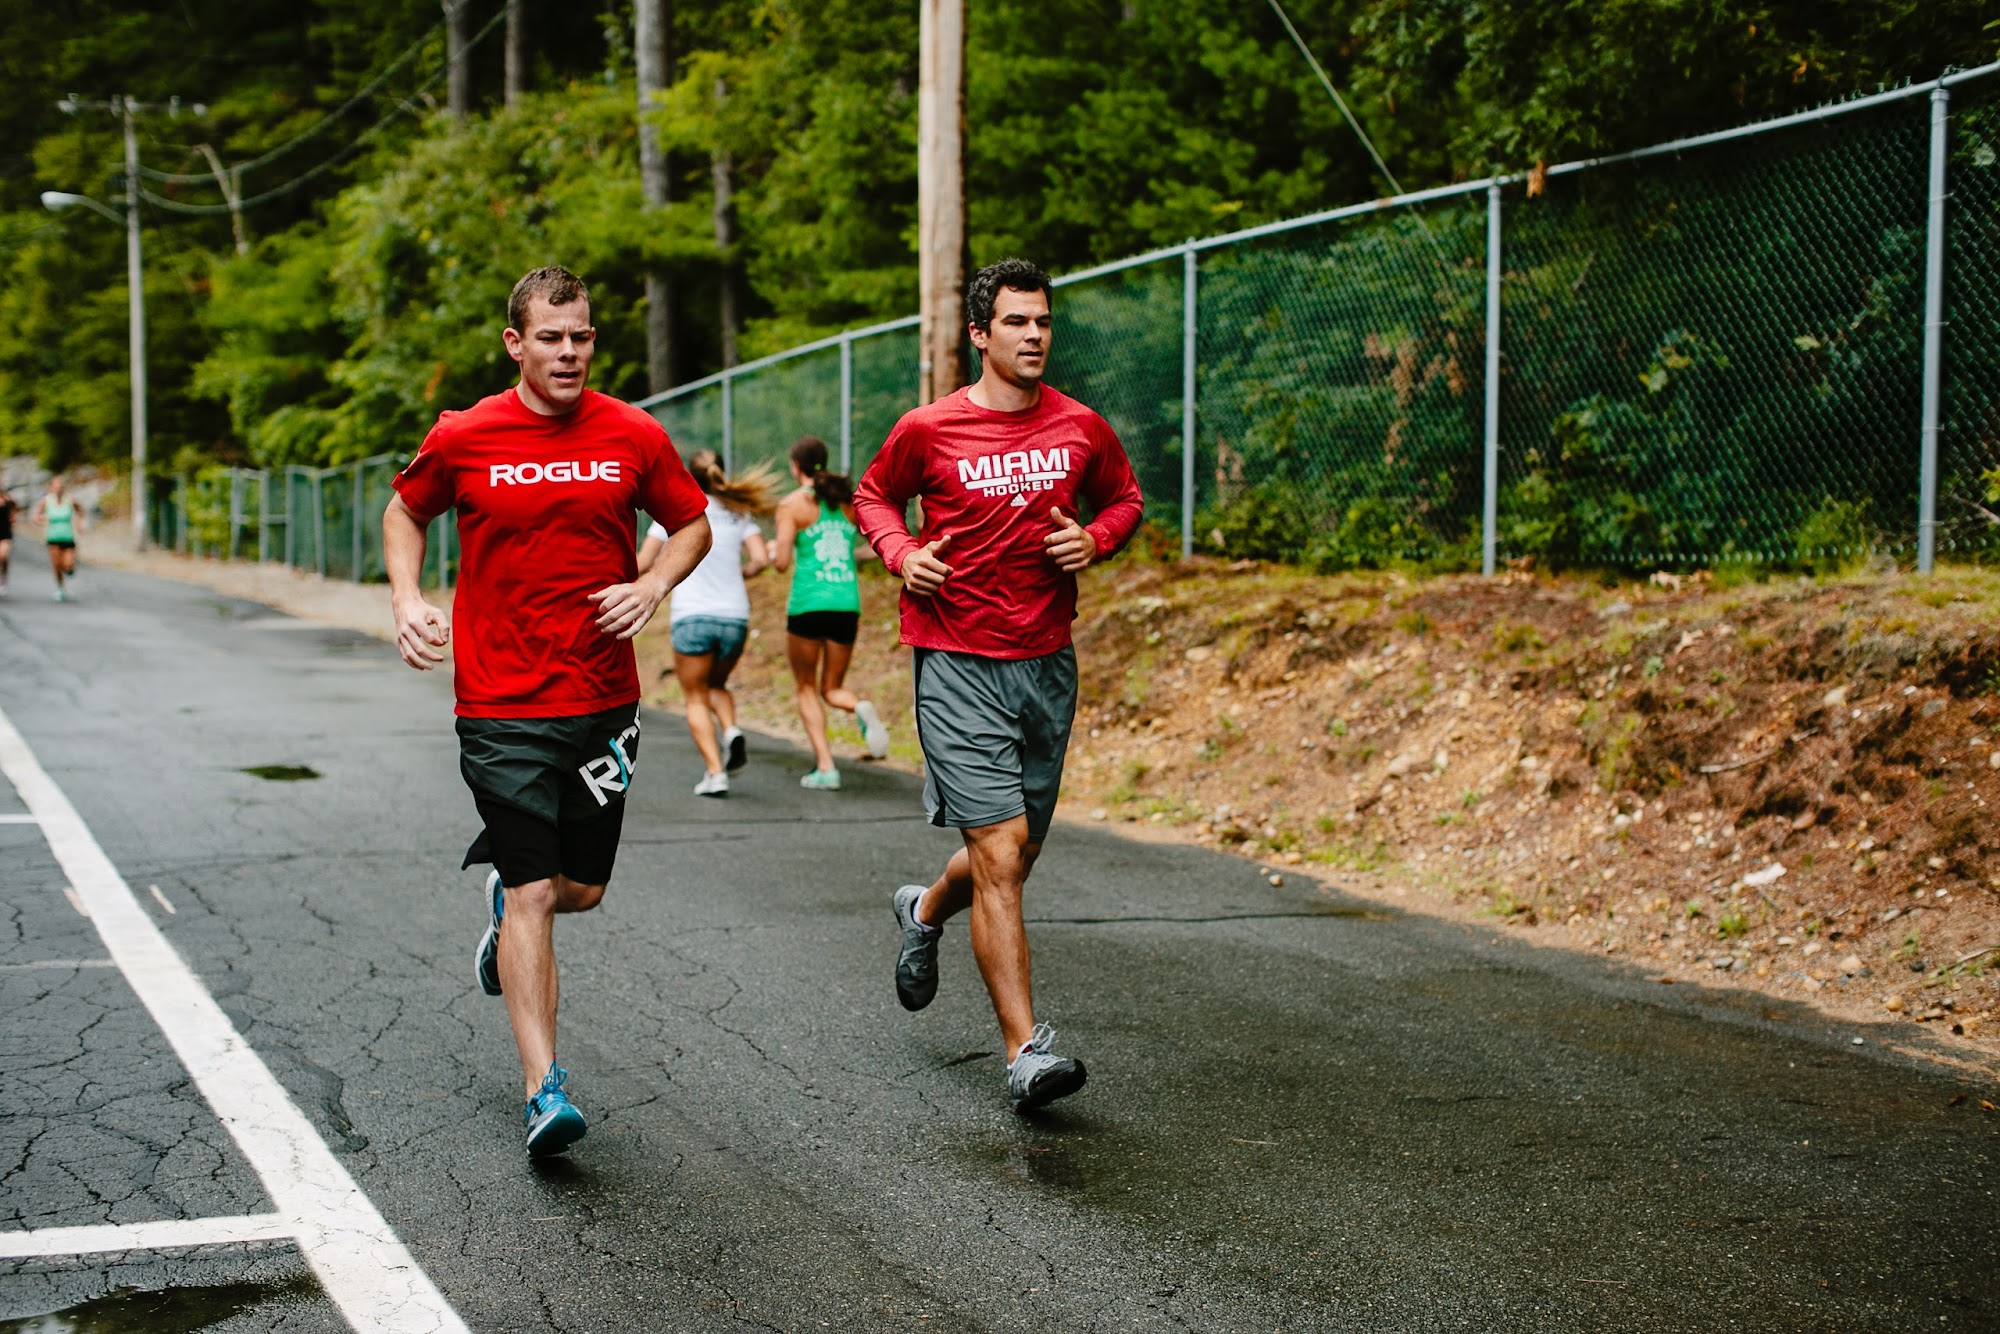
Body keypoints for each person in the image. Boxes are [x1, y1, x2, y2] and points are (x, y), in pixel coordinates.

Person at [382, 265, 711, 1159]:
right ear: (515, 343)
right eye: (551, 337)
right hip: (500, 706)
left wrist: (652, 583)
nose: (569, 352)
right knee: (536, 890)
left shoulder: (632, 432)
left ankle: (502, 904)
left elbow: (692, 524)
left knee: (582, 891)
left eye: (582, 337)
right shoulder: (465, 434)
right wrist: (407, 597)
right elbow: (405, 512)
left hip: (603, 701)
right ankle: (544, 1090)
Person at [855, 258, 1144, 1111]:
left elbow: (1124, 499)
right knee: (1002, 856)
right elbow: (874, 497)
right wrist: (903, 554)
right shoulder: (929, 428)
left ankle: (923, 910)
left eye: (1043, 321)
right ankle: (1026, 1052)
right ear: (980, 334)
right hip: (956, 661)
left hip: (1046, 663)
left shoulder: (1081, 426)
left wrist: (1095, 540)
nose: (1034, 335)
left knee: (1016, 855)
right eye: (1017, 322)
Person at [637, 450, 774, 797]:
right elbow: (760, 559)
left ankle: (715, 773)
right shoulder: (738, 513)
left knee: (695, 697)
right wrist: (741, 574)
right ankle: (731, 730)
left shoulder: (676, 510)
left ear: (689, 476)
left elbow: (643, 563)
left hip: (693, 616)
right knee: (716, 684)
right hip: (734, 617)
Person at [773, 436, 890, 791]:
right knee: (832, 687)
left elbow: (780, 563)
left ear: (796, 466)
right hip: (845, 604)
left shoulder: (792, 505)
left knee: (806, 687)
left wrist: (777, 548)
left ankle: (826, 767)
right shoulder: (847, 501)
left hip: (808, 605)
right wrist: (848, 556)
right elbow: (875, 544)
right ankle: (858, 705)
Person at [34, 476, 81, 602]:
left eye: (60, 487)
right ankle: (61, 588)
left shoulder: (70, 500)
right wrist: (42, 520)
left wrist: (79, 523)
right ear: (51, 488)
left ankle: (69, 570)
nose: (58, 490)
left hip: (68, 536)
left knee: (68, 564)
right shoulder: (46, 501)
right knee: (56, 565)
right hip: (53, 537)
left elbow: (80, 511)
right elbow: (37, 516)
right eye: (56, 487)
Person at [0, 481, 15, 595]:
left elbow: (13, 514)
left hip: (5, 533)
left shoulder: (8, 500)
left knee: (3, 556)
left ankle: (4, 579)